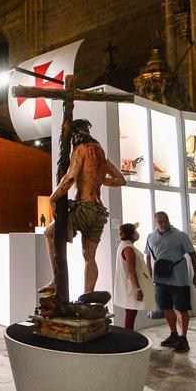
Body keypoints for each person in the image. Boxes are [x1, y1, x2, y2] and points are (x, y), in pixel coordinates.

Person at [41, 119, 126, 300]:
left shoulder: (80, 149)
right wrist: (100, 179)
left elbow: (70, 177)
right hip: (99, 211)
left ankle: (57, 280)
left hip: (85, 208)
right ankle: (87, 298)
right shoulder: (101, 152)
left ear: (74, 134)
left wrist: (53, 197)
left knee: (49, 233)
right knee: (89, 257)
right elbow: (120, 179)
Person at [144, 211, 196, 352]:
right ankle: (173, 334)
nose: (164, 224)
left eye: (166, 221)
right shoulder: (151, 237)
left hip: (179, 279)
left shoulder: (180, 236)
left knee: (182, 309)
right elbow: (148, 257)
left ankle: (184, 338)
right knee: (166, 307)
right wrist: (150, 277)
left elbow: (193, 255)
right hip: (160, 280)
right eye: (160, 222)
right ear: (155, 223)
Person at [112, 222, 155, 331]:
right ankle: (128, 338)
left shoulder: (126, 246)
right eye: (135, 231)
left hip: (129, 285)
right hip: (131, 286)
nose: (137, 233)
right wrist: (137, 288)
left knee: (130, 313)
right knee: (130, 314)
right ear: (130, 233)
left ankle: (129, 337)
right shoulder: (128, 248)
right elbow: (131, 269)